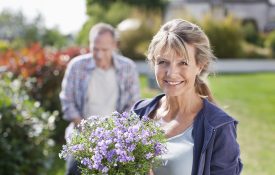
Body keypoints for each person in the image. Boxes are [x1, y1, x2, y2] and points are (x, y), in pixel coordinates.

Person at [132, 19, 243, 175]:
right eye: (163, 62)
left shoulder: (219, 127)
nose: (171, 73)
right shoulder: (139, 112)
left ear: (200, 65)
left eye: (183, 62)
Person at [60, 22, 140, 175]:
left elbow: (133, 104)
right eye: (95, 49)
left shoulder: (127, 68)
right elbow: (67, 100)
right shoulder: (77, 66)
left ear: (115, 45)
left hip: (116, 140)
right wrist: (85, 128)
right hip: (82, 136)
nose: (99, 54)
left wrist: (113, 134)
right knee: (74, 170)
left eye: (104, 49)